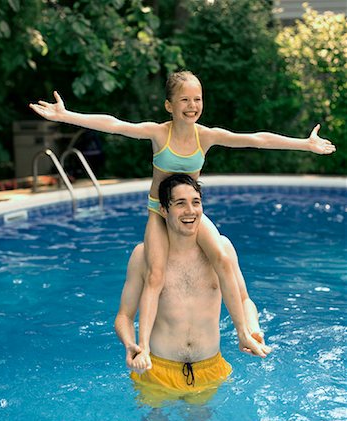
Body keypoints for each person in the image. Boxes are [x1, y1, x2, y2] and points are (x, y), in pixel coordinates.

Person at [29, 71, 335, 366]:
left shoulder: (207, 136)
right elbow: (114, 124)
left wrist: (304, 144)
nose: (192, 106)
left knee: (223, 258)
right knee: (156, 275)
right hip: (158, 211)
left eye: (197, 99)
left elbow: (257, 139)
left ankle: (242, 333)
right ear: (169, 106)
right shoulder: (159, 132)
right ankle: (144, 348)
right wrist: (65, 116)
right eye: (185, 100)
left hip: (188, 211)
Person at [114, 174, 271, 406]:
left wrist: (253, 330)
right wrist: (131, 346)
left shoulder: (222, 249)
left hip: (210, 368)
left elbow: (245, 300)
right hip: (157, 369)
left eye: (196, 202)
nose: (190, 211)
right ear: (164, 210)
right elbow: (124, 316)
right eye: (180, 203)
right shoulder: (143, 255)